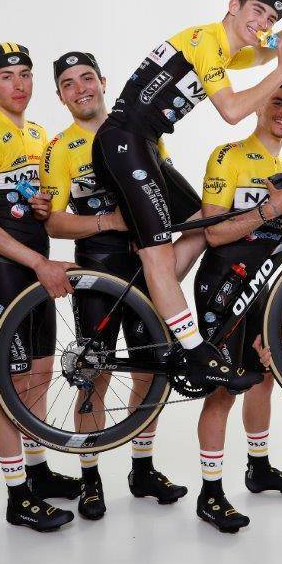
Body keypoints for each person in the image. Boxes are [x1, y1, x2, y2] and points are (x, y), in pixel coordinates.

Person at [91, 0, 282, 392]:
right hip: (124, 140)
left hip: (142, 144)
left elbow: (271, 48)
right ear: (233, 6)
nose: (263, 23)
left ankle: (149, 303)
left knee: (201, 223)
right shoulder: (206, 41)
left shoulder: (228, 49)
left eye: (270, 18)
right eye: (257, 11)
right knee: (156, 254)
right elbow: (233, 111)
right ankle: (196, 351)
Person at [36, 51, 199, 520]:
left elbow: (166, 194)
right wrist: (109, 221)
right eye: (69, 83)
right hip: (99, 266)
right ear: (61, 96)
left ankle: (142, 469)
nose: (81, 88)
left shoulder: (138, 132)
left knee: (151, 369)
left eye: (87, 77)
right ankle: (90, 479)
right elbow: (55, 223)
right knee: (94, 372)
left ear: (104, 81)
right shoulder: (59, 148)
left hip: (147, 261)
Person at [0, 43, 78, 532]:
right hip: (4, 272)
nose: (19, 84)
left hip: (37, 268)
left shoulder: (37, 135)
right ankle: (17, 496)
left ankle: (37, 471)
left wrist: (43, 209)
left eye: (25, 74)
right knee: (14, 386)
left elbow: (37, 208)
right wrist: (38, 262)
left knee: (41, 374)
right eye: (7, 76)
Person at [192, 76, 282, 533]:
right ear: (261, 104)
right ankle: (210, 494)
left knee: (264, 378)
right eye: (277, 102)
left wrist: (280, 321)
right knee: (222, 390)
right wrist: (270, 210)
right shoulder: (228, 156)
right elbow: (212, 233)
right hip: (223, 283)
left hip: (264, 286)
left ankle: (258, 469)